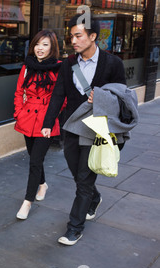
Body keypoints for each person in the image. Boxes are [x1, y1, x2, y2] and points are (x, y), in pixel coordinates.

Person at [41, 14, 127, 245]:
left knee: (84, 178)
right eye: (71, 36)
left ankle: (74, 227)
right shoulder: (69, 64)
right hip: (70, 127)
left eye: (78, 35)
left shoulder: (112, 64)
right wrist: (48, 123)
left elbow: (123, 97)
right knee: (76, 172)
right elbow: (58, 94)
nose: (73, 41)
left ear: (93, 36)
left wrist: (102, 97)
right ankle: (95, 197)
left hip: (96, 130)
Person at [13, 30, 65, 220]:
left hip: (46, 121)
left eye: (45, 44)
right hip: (27, 118)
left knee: (35, 161)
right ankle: (42, 184)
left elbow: (62, 98)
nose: (40, 48)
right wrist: (18, 113)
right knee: (33, 156)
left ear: (52, 47)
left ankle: (27, 202)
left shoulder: (59, 68)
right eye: (37, 44)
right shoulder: (27, 67)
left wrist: (51, 118)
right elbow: (19, 92)